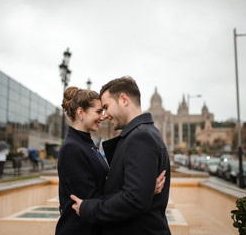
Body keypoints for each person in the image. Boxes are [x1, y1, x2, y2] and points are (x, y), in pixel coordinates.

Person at [56, 86, 166, 235]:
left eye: (104, 110)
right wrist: (143, 191)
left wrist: (141, 190)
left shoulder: (87, 145)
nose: (103, 117)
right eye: (98, 112)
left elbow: (105, 189)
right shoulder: (72, 148)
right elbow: (91, 199)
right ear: (80, 112)